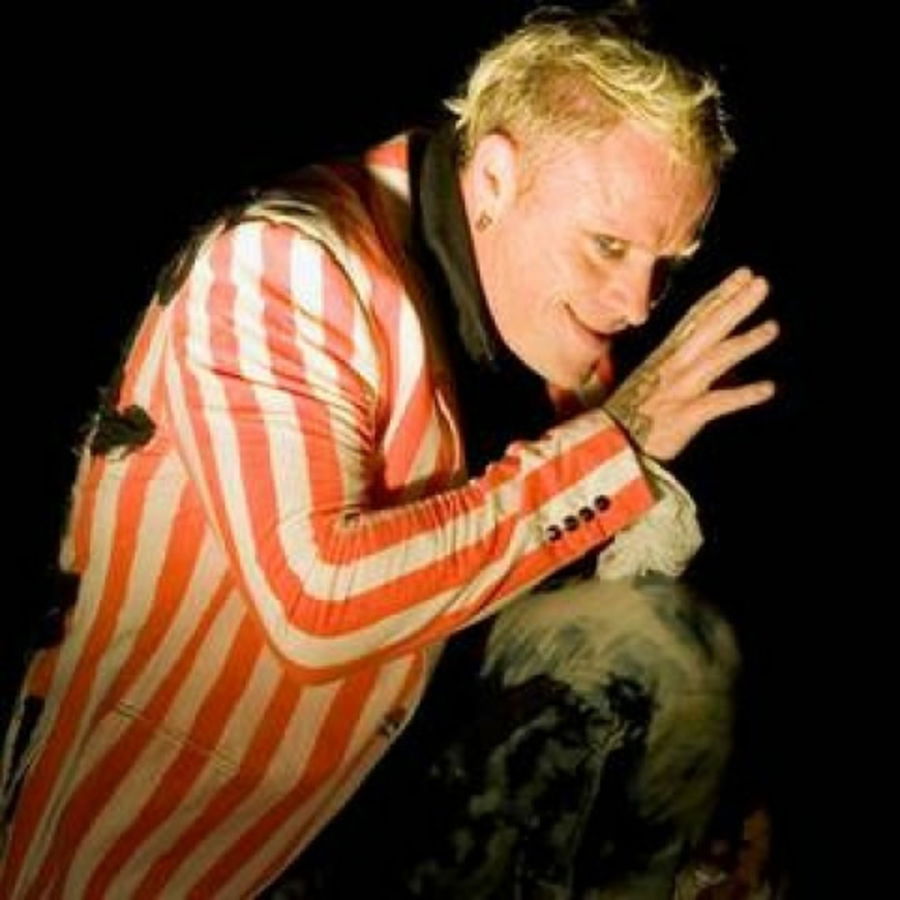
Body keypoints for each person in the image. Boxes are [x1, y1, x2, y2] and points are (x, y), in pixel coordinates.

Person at [0, 7, 778, 897]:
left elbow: (564, 613)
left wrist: (690, 805)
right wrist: (616, 448)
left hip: (395, 836)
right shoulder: (285, 265)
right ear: (494, 178)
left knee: (663, 649)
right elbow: (317, 602)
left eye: (666, 262)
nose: (637, 305)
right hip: (181, 858)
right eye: (609, 246)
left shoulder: (563, 339)